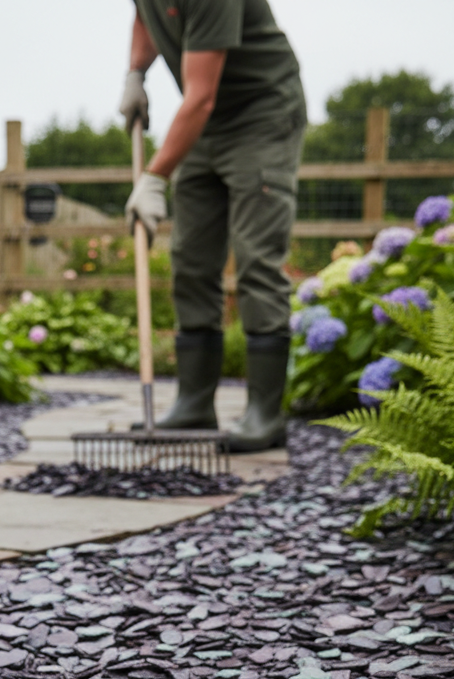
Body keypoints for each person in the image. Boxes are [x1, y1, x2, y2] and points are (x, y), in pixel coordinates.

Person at [120, 0, 306, 451]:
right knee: (190, 255)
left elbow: (200, 95)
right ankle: (194, 403)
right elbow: (145, 15)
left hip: (260, 113)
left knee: (256, 258)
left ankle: (265, 414)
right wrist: (136, 72)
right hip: (205, 116)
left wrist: (153, 178)